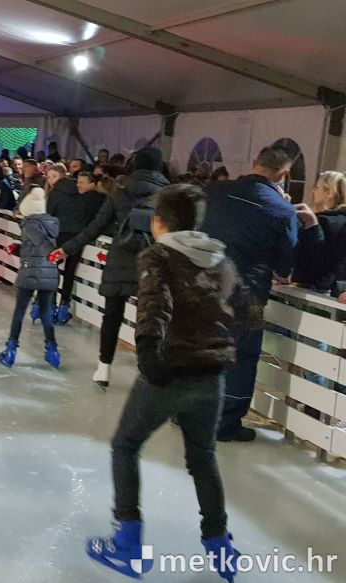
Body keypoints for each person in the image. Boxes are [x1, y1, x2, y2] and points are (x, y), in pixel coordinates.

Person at [86, 185, 250, 583]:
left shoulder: (157, 255)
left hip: (169, 371)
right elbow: (248, 310)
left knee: (125, 445)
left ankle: (128, 545)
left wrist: (148, 353)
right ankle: (219, 546)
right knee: (203, 458)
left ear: (159, 221)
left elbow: (153, 307)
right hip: (211, 377)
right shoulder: (219, 258)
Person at [200, 145, 299, 442]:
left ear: (255, 162)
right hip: (246, 294)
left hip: (204, 284)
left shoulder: (213, 191)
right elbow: (285, 264)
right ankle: (226, 424)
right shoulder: (282, 209)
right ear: (284, 175)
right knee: (240, 359)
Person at [55, 148, 169, 389]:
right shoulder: (168, 196)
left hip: (120, 260)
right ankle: (146, 372)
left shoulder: (120, 192)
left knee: (112, 315)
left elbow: (95, 227)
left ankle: (104, 367)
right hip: (152, 262)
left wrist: (66, 248)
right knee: (149, 318)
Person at [0, 187, 61, 369]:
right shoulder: (51, 223)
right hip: (49, 274)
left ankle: (10, 350)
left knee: (19, 312)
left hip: (30, 274)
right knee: (46, 313)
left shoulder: (29, 224)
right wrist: (17, 248)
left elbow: (42, 245)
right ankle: (52, 351)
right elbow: (36, 248)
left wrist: (52, 254)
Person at [46, 169, 104, 325]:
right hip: (76, 238)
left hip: (58, 235)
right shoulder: (82, 195)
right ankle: (64, 308)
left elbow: (49, 214)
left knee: (52, 269)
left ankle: (50, 306)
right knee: (70, 272)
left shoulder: (56, 193)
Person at [293, 172, 346, 293]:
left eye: (317, 187)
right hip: (337, 288)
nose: (313, 190)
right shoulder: (341, 220)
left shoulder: (324, 221)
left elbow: (314, 258)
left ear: (329, 193)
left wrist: (312, 226)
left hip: (316, 287)